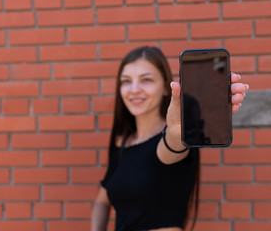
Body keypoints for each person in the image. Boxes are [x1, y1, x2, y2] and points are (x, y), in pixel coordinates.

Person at [91, 46, 248, 231]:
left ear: (166, 88)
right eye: (126, 81)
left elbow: (170, 148)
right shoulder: (123, 142)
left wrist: (176, 131)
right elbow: (102, 201)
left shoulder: (178, 137)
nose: (134, 89)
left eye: (146, 80)